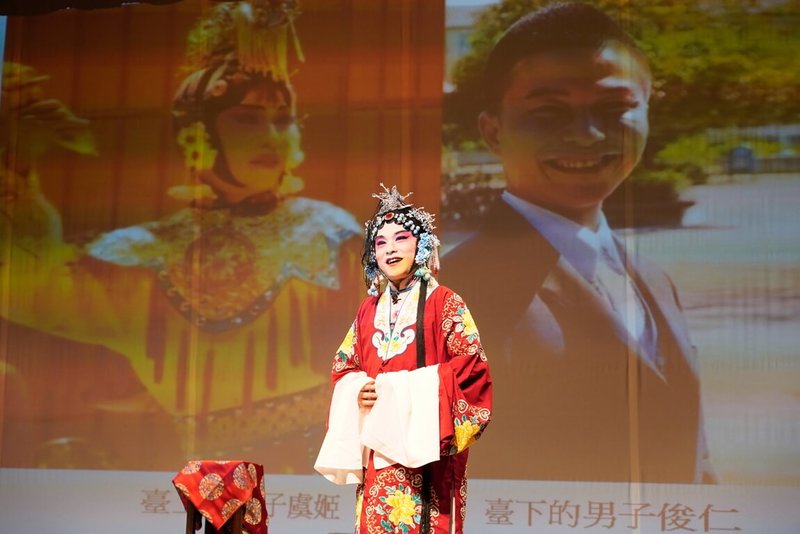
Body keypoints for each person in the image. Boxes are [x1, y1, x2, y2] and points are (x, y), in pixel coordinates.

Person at [0, 0, 362, 470]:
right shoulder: (142, 250)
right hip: (204, 475)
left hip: (322, 466)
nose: (271, 137)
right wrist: (30, 217)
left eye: (282, 120)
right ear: (197, 133)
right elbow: (38, 296)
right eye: (247, 119)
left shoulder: (330, 231)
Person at [442, 2, 716, 483]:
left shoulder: (653, 279)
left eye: (615, 109)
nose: (587, 135)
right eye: (549, 111)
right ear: (492, 131)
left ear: (649, 112)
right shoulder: (448, 296)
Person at [315, 184, 492, 534]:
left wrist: (403, 391)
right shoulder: (368, 310)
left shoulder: (446, 303)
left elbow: (472, 369)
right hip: (378, 458)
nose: (391, 249)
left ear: (422, 246)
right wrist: (358, 390)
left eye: (401, 239)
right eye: (380, 243)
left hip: (427, 456)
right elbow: (344, 366)